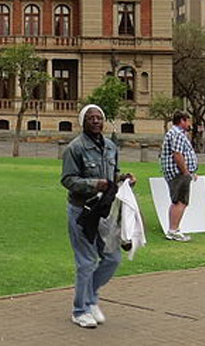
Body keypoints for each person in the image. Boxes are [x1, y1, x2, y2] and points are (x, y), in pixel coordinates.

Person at [61, 104, 133, 329]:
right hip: (82, 211)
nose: (95, 121)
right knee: (87, 261)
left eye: (99, 117)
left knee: (112, 258)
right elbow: (68, 180)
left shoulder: (110, 146)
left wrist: (123, 179)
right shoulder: (75, 148)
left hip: (103, 210)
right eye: (91, 118)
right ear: (83, 122)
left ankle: (90, 297)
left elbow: (112, 174)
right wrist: (94, 184)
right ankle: (79, 310)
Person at [159, 111, 197, 242]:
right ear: (182, 120)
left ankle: (173, 229)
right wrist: (186, 172)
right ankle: (173, 230)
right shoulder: (177, 134)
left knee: (177, 200)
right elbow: (178, 154)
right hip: (178, 173)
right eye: (188, 121)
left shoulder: (175, 133)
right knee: (181, 201)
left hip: (177, 172)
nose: (189, 124)